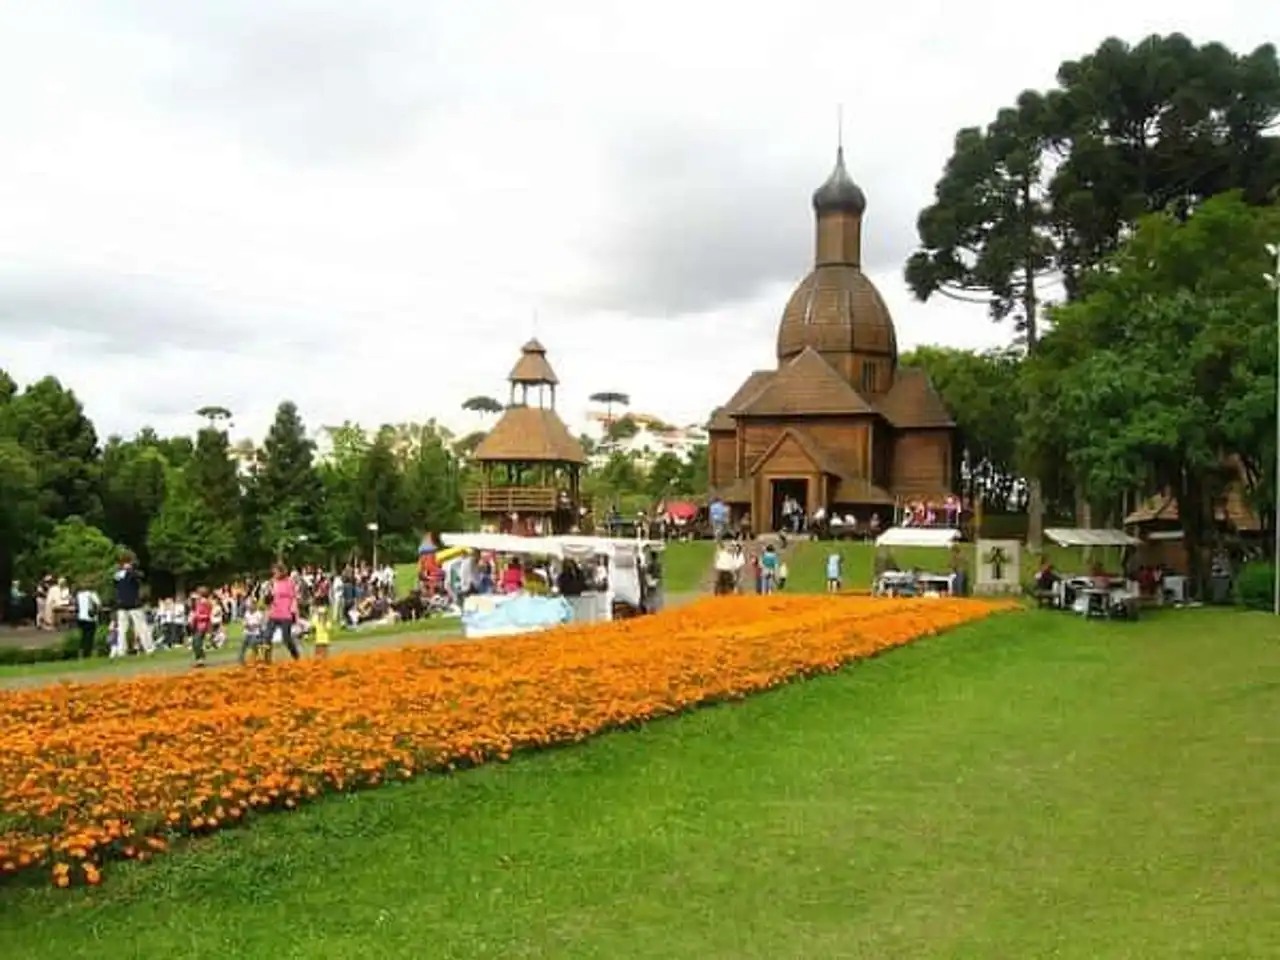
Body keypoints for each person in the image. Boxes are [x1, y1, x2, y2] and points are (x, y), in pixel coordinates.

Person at [113, 555, 153, 655]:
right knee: (141, 626)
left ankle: (121, 650)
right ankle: (148, 647)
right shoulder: (131, 573)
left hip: (121, 604)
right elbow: (140, 577)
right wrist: (131, 570)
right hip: (133, 603)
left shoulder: (117, 575)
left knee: (122, 629)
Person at [266, 563, 302, 662]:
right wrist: (268, 594)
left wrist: (294, 612)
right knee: (267, 636)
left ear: (281, 572)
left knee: (286, 638)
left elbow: (294, 598)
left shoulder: (289, 582)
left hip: (286, 613)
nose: (274, 574)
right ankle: (266, 660)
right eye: (273, 572)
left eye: (276, 572)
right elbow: (269, 599)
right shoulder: (273, 582)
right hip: (274, 613)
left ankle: (296, 656)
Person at [73, 581, 101, 659]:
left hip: (81, 618)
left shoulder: (78, 595)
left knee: (83, 636)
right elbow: (98, 605)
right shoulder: (92, 594)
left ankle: (81, 653)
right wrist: (96, 613)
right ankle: (89, 653)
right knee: (90, 636)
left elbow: (76, 606)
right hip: (90, 618)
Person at [189, 587, 213, 667]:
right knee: (195, 642)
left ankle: (201, 659)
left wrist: (198, 616)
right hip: (197, 624)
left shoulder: (206, 603)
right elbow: (193, 608)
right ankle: (199, 659)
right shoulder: (198, 602)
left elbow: (207, 615)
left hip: (202, 625)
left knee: (197, 642)